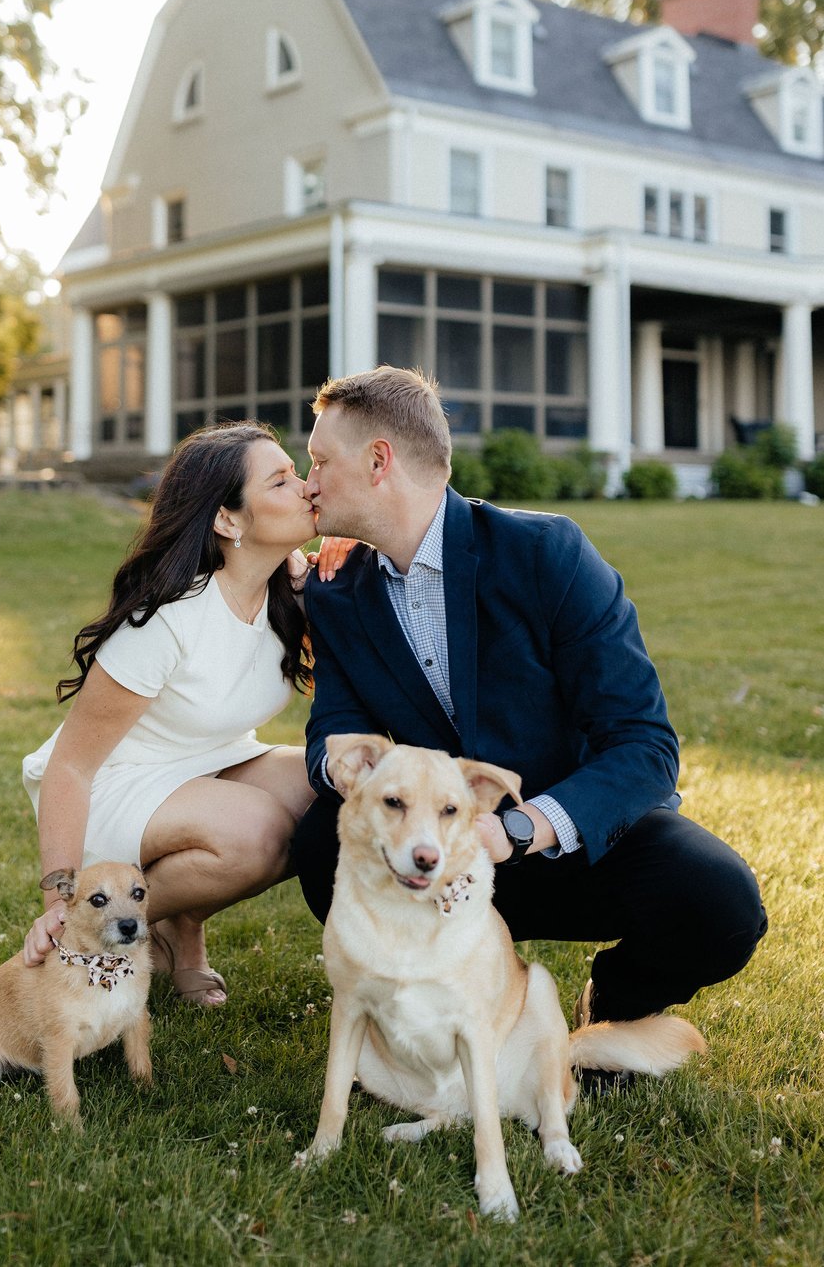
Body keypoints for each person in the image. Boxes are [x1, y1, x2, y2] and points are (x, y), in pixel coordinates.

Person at [293, 366, 767, 1039]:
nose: (307, 480)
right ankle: (429, 1001)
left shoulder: (548, 554)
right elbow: (335, 721)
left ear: (378, 461)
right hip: (437, 850)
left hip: (571, 837)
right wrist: (342, 768)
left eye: (318, 461)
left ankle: (615, 999)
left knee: (719, 901)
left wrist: (515, 832)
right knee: (322, 837)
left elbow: (644, 746)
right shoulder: (337, 593)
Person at [20, 422, 320, 1006]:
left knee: (327, 786)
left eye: (298, 473)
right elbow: (70, 767)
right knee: (257, 835)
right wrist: (60, 901)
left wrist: (317, 600)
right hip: (115, 782)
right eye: (281, 480)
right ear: (227, 520)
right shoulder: (167, 618)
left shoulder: (287, 591)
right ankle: (94, 930)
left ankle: (177, 923)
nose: (306, 487)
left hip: (211, 763)